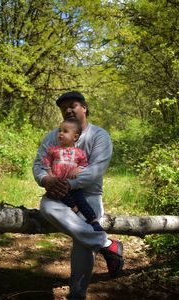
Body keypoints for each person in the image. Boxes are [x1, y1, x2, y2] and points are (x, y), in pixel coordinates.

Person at [33, 91, 124, 299]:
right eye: (63, 107)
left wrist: (68, 184)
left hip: (89, 195)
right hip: (57, 195)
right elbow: (39, 164)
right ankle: (107, 244)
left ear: (84, 107)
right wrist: (46, 180)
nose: (67, 109)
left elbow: (94, 171)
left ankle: (77, 295)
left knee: (83, 237)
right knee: (46, 207)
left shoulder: (99, 136)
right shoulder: (54, 135)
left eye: (72, 104)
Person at [42, 118, 103, 231]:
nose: (60, 133)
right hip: (58, 183)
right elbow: (46, 162)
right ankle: (75, 211)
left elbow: (84, 163)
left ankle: (93, 220)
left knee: (81, 199)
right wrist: (49, 175)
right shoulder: (53, 150)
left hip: (72, 183)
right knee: (63, 196)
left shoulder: (79, 152)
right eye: (60, 130)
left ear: (75, 137)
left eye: (65, 131)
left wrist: (78, 169)